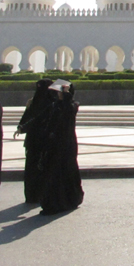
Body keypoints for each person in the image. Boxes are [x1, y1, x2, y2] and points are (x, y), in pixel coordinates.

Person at [39, 80, 84, 216]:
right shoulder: (55, 106)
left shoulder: (71, 106)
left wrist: (66, 96)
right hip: (53, 144)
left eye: (61, 92)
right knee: (52, 173)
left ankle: (65, 201)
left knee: (64, 171)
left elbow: (68, 113)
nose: (58, 95)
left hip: (66, 145)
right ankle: (52, 202)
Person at [15, 78, 54, 203]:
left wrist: (22, 128)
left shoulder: (35, 102)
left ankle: (32, 195)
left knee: (32, 168)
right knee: (41, 168)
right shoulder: (51, 103)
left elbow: (25, 120)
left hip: (33, 141)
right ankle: (42, 194)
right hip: (45, 141)